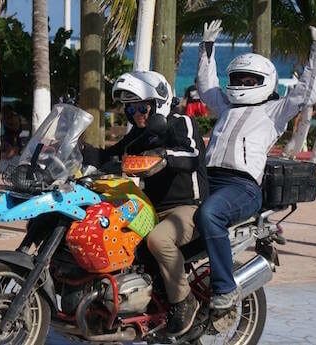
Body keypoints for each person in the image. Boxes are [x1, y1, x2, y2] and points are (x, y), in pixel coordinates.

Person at [195, 19, 316, 310]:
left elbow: (308, 91)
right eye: (239, 79)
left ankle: (224, 288)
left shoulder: (275, 110)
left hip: (242, 187)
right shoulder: (225, 106)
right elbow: (207, 85)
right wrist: (206, 48)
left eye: (251, 81)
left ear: (265, 82)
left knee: (210, 215)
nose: (243, 85)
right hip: (207, 180)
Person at [82, 70, 209, 337]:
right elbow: (111, 154)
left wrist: (163, 156)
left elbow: (191, 154)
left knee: (157, 240)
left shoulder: (180, 122)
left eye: (141, 107)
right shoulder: (142, 132)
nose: (136, 114)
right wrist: (79, 151)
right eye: (130, 110)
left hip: (188, 207)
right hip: (150, 207)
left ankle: (184, 301)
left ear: (158, 102)